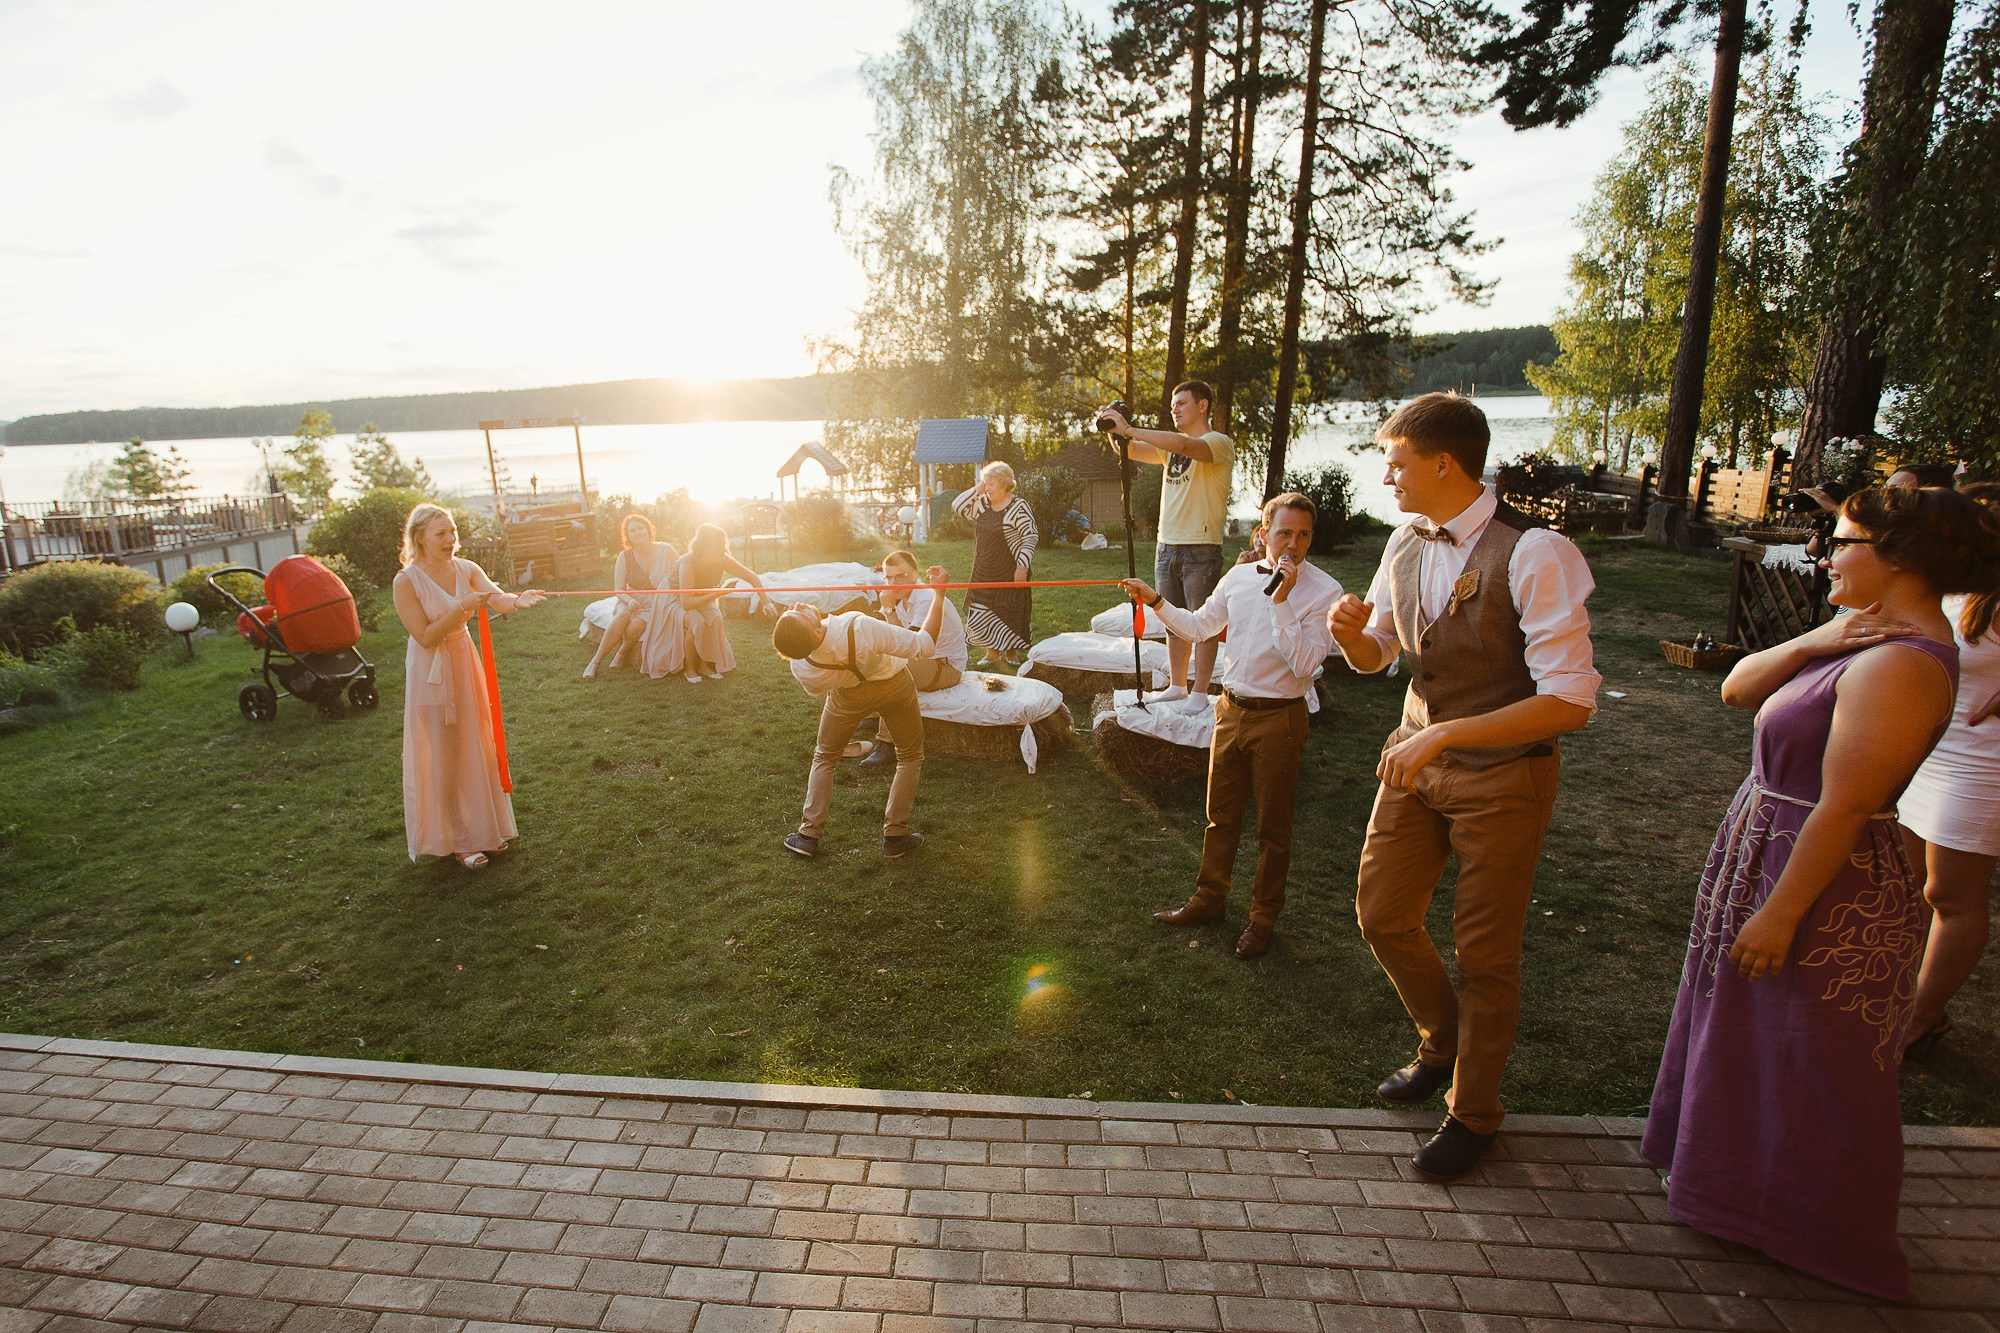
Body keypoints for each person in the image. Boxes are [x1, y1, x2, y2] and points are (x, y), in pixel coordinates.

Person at [1643, 485, 2000, 1302]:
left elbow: (1845, 804)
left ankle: (1809, 1222)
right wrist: (1822, 635)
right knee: (1749, 1028)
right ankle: (1732, 1188)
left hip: (1820, 879)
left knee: (1812, 1047)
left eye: (1840, 542)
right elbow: (1737, 688)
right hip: (1771, 844)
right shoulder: (1863, 637)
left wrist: (1779, 911)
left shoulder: (1903, 665)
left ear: (1899, 557)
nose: (1824, 555)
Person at [1326, 392, 1601, 1178]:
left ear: (1443, 461)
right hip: (1414, 759)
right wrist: (1354, 638)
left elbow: (1571, 699)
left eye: (1396, 460)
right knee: (1382, 915)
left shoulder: (1535, 552)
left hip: (1504, 776)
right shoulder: (1404, 541)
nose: (1386, 476)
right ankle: (1440, 1043)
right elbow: (1381, 652)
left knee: (1485, 952)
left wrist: (1449, 733)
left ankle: (1474, 1110)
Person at [1119, 493, 1340, 960]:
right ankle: (1209, 899)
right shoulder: (1239, 578)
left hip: (1281, 717)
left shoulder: (1325, 592)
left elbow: (1304, 665)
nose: (1293, 545)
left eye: (1303, 536)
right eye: (1284, 533)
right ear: (1263, 535)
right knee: (1219, 818)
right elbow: (1198, 628)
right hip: (1231, 710)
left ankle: (1262, 917)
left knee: (1272, 828)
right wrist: (1155, 599)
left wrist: (1281, 599)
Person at [1893, 483, 2000, 1057]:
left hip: (1984, 761)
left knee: (1950, 894)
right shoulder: (1945, 585)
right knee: (1905, 887)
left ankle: (1922, 1016)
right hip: (1927, 744)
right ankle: (1893, 998)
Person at [393, 502, 547, 870]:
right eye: (441, 533)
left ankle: (483, 831)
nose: (450, 540)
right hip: (430, 671)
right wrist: (460, 606)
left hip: (463, 662)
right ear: (420, 538)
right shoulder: (407, 581)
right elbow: (426, 636)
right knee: (444, 753)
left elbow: (498, 597)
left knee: (475, 745)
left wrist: (517, 601)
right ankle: (458, 840)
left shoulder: (467, 568)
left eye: (453, 532)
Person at [771, 564, 951, 860]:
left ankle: (807, 836)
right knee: (910, 756)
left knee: (825, 757)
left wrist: (794, 625)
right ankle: (895, 837)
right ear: (815, 630)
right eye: (798, 612)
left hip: (846, 696)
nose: (799, 604)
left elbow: (816, 689)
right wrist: (939, 595)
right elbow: (924, 645)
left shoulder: (800, 663)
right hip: (894, 685)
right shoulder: (859, 626)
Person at [1099, 382, 1235, 712]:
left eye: (1182, 403)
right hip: (1167, 544)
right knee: (1172, 620)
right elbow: (1128, 451)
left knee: (1202, 623)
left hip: (1200, 545)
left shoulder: (1217, 443)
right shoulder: (1170, 448)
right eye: (1173, 404)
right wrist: (1114, 428)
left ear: (1203, 406)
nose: (1175, 409)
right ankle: (1177, 686)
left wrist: (1129, 427)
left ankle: (1200, 692)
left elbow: (1185, 445)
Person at [860, 548, 969, 769]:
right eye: (889, 578)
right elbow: (880, 631)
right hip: (924, 659)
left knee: (894, 670)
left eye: (901, 576)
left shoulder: (926, 597)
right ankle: (871, 712)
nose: (894, 583)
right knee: (865, 653)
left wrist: (889, 609)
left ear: (915, 573)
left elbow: (909, 645)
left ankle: (887, 744)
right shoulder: (897, 594)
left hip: (945, 666)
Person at [952, 462, 1038, 669]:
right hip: (984, 567)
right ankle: (991, 653)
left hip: (1011, 568)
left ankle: (1011, 652)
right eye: (986, 483)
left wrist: (1022, 568)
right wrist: (979, 488)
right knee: (983, 607)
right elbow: (957, 506)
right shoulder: (982, 504)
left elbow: (1030, 536)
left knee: (1010, 608)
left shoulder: (1019, 506)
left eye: (991, 484)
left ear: (1004, 484)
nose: (987, 488)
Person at [674, 523, 773, 684]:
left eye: (723, 543)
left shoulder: (723, 558)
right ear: (705, 546)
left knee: (715, 619)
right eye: (718, 544)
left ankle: (705, 665)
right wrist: (716, 594)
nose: (723, 547)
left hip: (702, 596)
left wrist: (766, 602)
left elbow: (752, 577)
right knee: (696, 624)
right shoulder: (688, 563)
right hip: (675, 599)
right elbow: (686, 603)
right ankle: (689, 668)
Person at [584, 514, 680, 680]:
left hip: (656, 602)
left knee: (636, 625)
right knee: (622, 615)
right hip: (630, 599)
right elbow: (619, 589)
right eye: (632, 530)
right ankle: (595, 662)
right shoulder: (624, 556)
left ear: (648, 529)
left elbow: (681, 573)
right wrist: (629, 601)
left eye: (640, 528)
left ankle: (623, 651)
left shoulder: (666, 550)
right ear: (628, 536)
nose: (637, 532)